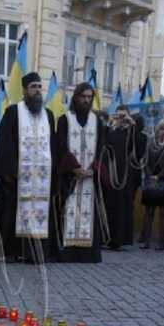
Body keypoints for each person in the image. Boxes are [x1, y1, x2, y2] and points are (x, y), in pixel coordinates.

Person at [0, 72, 59, 263]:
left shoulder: (49, 115)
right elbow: (5, 142)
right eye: (33, 87)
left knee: (40, 213)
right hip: (17, 177)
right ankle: (12, 252)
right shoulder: (13, 111)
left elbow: (52, 146)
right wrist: (9, 172)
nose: (37, 91)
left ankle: (36, 253)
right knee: (12, 214)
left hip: (42, 180)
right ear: (24, 90)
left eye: (39, 87)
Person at [54, 82, 106, 263]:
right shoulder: (64, 119)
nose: (86, 100)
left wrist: (94, 169)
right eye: (83, 96)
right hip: (70, 178)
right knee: (66, 210)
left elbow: (101, 148)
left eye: (89, 97)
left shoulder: (96, 121)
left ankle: (87, 254)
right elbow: (60, 147)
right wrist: (74, 168)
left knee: (89, 213)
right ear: (76, 97)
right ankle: (66, 252)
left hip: (90, 179)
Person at [101, 105, 146, 250]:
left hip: (126, 175)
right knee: (108, 205)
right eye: (118, 115)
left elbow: (139, 148)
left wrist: (132, 124)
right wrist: (109, 124)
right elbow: (101, 143)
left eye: (123, 116)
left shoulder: (132, 132)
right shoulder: (111, 131)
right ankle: (105, 238)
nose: (121, 119)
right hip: (110, 173)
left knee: (123, 206)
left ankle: (119, 240)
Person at [138, 118, 164, 250]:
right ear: (158, 129)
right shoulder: (151, 143)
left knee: (163, 213)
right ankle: (145, 240)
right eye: (162, 129)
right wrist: (150, 176)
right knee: (149, 211)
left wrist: (159, 176)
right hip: (150, 180)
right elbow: (145, 161)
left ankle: (162, 242)